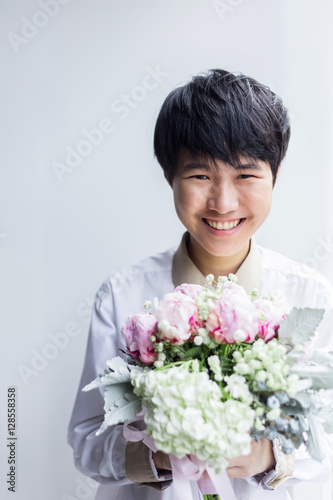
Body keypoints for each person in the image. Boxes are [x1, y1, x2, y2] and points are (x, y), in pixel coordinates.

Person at [67, 69, 333, 500]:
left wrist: (270, 455)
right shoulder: (123, 295)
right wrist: (158, 454)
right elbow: (86, 439)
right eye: (200, 177)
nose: (223, 203)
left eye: (246, 175)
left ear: (276, 174)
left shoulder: (310, 297)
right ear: (170, 176)